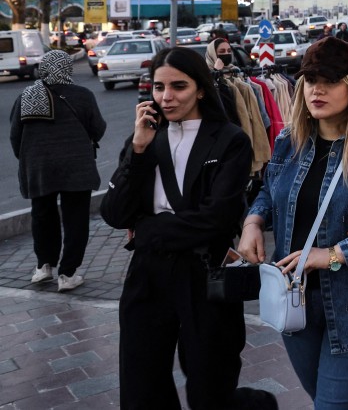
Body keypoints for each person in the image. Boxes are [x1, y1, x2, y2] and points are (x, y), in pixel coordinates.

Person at [239, 37, 348, 410]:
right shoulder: (290, 141)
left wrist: (335, 253)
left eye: (330, 80)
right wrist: (253, 222)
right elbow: (269, 192)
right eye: (309, 79)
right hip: (296, 304)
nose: (316, 89)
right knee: (326, 401)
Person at [100, 47, 276, 410]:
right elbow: (115, 213)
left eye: (178, 86)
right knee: (141, 384)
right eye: (159, 87)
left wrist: (147, 229)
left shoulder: (229, 140)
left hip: (205, 272)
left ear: (200, 89)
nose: (166, 97)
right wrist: (137, 150)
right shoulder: (145, 140)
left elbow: (216, 219)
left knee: (210, 385)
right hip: (147, 274)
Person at [11, 50, 106, 292]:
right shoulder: (82, 96)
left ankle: (44, 266)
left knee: (43, 217)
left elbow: (15, 137)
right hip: (77, 168)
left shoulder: (27, 96)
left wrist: (31, 158)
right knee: (76, 221)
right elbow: (98, 128)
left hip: (39, 168)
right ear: (67, 68)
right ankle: (68, 274)